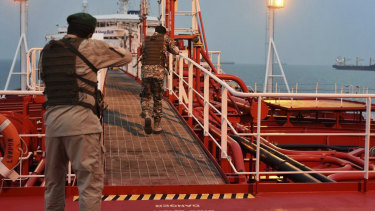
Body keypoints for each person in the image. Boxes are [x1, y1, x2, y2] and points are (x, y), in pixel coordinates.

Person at [41, 13, 132, 211]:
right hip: (81, 123)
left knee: (53, 182)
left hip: (53, 124)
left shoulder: (48, 50)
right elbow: (126, 56)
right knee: (89, 182)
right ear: (90, 32)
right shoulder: (90, 46)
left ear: (69, 28)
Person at [140, 25, 180, 134]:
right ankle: (157, 126)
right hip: (158, 73)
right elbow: (176, 51)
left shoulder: (146, 40)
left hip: (146, 72)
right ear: (163, 33)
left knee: (145, 96)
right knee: (157, 98)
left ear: (155, 31)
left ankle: (147, 114)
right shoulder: (166, 38)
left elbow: (144, 54)